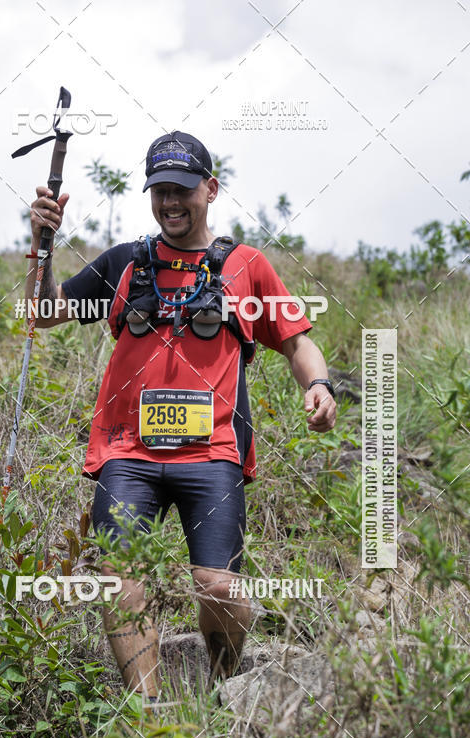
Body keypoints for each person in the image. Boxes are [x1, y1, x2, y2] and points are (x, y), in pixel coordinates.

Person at [25, 131, 337, 703]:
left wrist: (318, 385)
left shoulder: (246, 268)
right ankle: (149, 713)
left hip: (213, 455)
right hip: (127, 456)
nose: (171, 202)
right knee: (123, 583)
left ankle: (223, 695)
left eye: (183, 190)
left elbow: (298, 343)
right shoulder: (124, 263)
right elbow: (44, 313)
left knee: (219, 586)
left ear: (210, 189)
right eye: (160, 190)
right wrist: (43, 244)